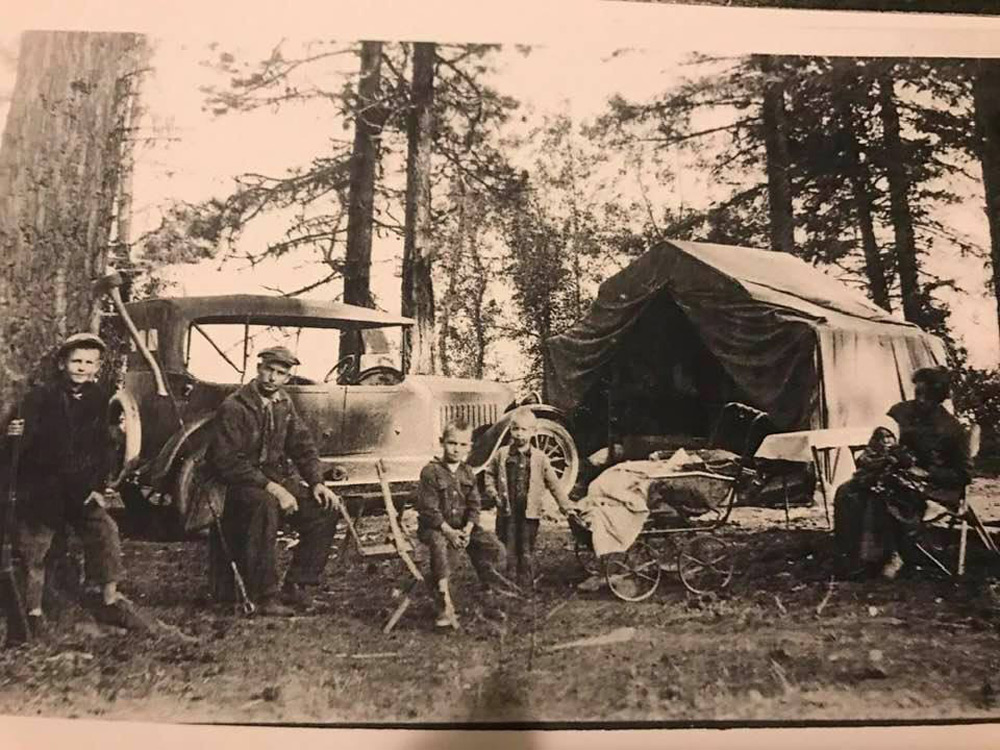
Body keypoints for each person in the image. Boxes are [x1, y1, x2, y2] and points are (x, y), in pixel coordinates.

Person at [10, 332, 147, 638]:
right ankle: (32, 614)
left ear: (97, 367)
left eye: (89, 362)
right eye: (76, 361)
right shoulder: (41, 397)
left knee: (105, 529)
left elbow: (102, 448)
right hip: (43, 489)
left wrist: (98, 486)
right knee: (36, 550)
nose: (82, 368)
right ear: (62, 364)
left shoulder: (99, 398)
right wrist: (13, 432)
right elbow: (27, 447)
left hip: (80, 490)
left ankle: (109, 597)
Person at [208, 346, 341, 616]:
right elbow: (227, 462)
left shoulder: (283, 404)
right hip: (236, 485)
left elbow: (302, 445)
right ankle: (265, 594)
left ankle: (298, 586)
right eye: (269, 370)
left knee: (323, 509)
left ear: (287, 378)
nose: (273, 378)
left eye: (281, 373)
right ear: (259, 369)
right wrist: (274, 488)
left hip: (273, 480)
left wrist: (316, 482)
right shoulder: (235, 406)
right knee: (265, 507)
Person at [833, 366, 972, 580]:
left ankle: (889, 555)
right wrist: (882, 455)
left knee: (885, 496)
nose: (921, 400)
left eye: (928, 396)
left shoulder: (952, 429)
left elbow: (962, 475)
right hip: (890, 472)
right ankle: (850, 556)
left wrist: (926, 473)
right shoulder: (900, 412)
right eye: (918, 393)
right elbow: (880, 440)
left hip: (929, 485)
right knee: (847, 492)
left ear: (940, 397)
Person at [415, 420, 506, 629]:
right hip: (435, 528)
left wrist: (468, 529)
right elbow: (429, 510)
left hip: (462, 528)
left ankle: (490, 593)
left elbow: (475, 505)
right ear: (442, 442)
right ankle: (443, 604)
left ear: (470, 447)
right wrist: (450, 533)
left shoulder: (468, 472)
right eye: (452, 443)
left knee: (494, 547)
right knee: (440, 549)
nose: (457, 449)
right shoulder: (431, 472)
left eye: (463, 445)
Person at [484, 407, 576, 589]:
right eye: (515, 429)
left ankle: (525, 583)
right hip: (507, 511)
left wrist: (566, 506)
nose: (519, 434)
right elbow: (489, 474)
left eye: (524, 430)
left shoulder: (540, 458)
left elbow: (554, 484)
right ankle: (509, 580)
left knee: (526, 548)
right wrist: (492, 492)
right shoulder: (502, 454)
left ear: (534, 432)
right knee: (508, 545)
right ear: (510, 430)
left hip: (529, 513)